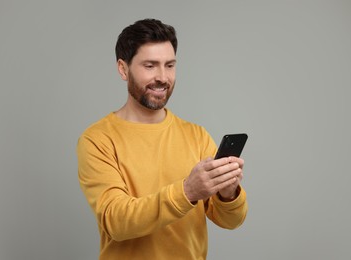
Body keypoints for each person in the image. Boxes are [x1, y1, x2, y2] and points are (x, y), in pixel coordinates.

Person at [77, 18, 248, 260]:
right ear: (123, 69)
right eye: (150, 66)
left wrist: (228, 194)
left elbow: (232, 221)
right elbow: (116, 221)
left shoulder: (196, 135)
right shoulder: (97, 140)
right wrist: (187, 192)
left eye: (169, 65)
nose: (162, 77)